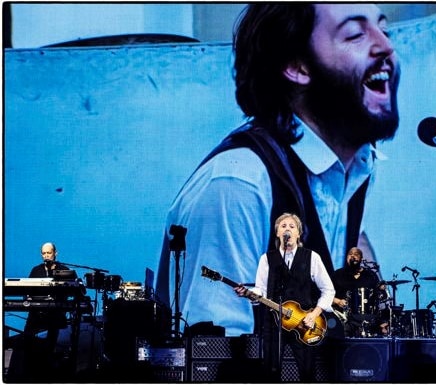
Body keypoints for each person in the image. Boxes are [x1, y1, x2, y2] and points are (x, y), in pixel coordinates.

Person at [155, 3, 400, 336]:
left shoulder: (354, 169)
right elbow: (214, 359)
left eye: (384, 29)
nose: (386, 46)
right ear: (296, 65)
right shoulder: (237, 185)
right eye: (355, 34)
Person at [234, 213, 335, 382]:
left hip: (304, 324)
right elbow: (261, 291)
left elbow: (328, 290)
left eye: (292, 226)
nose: (287, 228)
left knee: (307, 372)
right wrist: (248, 293)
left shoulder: (312, 257)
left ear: (298, 233)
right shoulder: (267, 259)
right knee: (271, 372)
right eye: (283, 226)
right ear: (277, 233)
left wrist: (313, 315)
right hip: (273, 325)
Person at [20, 243, 70, 378]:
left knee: (51, 341)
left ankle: (50, 370)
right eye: (44, 253)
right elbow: (27, 291)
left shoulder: (64, 269)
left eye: (49, 253)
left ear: (55, 253)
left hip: (55, 315)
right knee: (28, 340)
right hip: (36, 313)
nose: (46, 256)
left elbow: (73, 290)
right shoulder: (36, 270)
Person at [332, 246, 385, 337]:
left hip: (367, 319)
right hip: (344, 318)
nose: (353, 256)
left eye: (356, 254)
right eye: (350, 254)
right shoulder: (338, 274)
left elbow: (380, 298)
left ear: (361, 258)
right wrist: (337, 301)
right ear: (347, 258)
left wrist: (382, 290)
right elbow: (325, 294)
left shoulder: (371, 275)